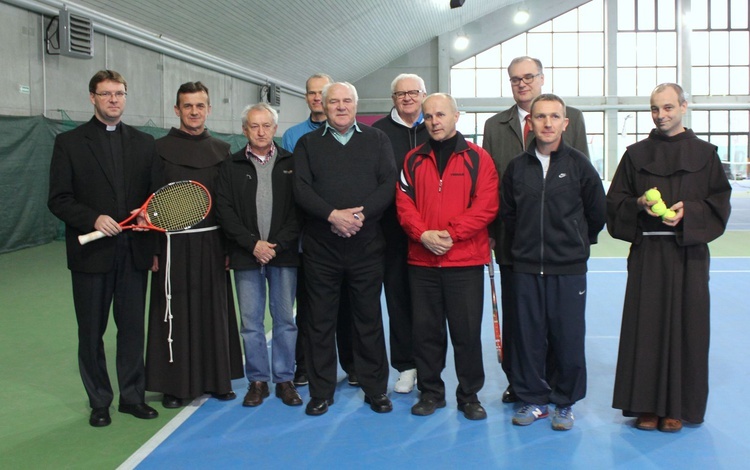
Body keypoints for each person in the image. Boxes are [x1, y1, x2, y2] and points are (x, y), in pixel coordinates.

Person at [608, 83, 731, 433]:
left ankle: (677, 407)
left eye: (667, 108)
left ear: (683, 107)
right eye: (654, 109)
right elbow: (614, 202)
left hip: (688, 254)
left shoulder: (705, 154)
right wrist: (637, 204)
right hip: (648, 253)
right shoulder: (635, 154)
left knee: (687, 328)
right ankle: (645, 407)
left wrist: (688, 212)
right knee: (644, 329)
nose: (661, 115)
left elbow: (719, 203)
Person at [48, 70, 163, 427]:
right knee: (91, 331)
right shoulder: (68, 143)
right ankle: (99, 401)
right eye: (106, 94)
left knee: (131, 330)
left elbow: (153, 199)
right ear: (92, 98)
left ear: (125, 97)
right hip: (90, 256)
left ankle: (132, 397)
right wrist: (93, 218)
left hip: (133, 254)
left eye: (119, 93)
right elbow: (59, 199)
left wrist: (147, 217)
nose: (114, 99)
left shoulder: (146, 144)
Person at [482, 56, 590, 404]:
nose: (522, 83)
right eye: (515, 79)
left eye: (528, 77)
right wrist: (494, 233)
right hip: (514, 242)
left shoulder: (571, 118)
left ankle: (556, 384)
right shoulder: (494, 125)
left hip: (560, 246)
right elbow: (489, 184)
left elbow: (583, 183)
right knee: (520, 319)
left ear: (542, 79)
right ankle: (522, 382)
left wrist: (576, 234)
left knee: (560, 324)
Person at [501, 94, 605, 431]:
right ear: (530, 122)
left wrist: (573, 243)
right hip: (527, 268)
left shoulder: (579, 166)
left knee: (568, 338)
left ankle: (565, 403)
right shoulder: (517, 167)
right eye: (540, 117)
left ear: (565, 123)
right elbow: (509, 215)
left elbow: (596, 213)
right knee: (529, 338)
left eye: (554, 117)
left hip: (568, 269)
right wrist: (526, 246)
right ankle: (533, 400)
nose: (547, 123)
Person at [293, 82, 396, 416]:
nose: (340, 106)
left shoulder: (376, 139)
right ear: (323, 105)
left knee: (368, 319)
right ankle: (321, 391)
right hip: (322, 249)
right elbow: (301, 189)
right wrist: (332, 216)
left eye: (346, 101)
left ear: (356, 104)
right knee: (320, 322)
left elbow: (387, 184)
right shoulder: (308, 144)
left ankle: (375, 388)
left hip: (366, 247)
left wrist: (358, 216)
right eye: (333, 101)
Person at [396, 93, 499, 420]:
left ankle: (469, 396)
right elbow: (403, 204)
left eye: (440, 115)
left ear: (456, 116)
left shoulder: (479, 159)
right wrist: (423, 235)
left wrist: (451, 235)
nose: (434, 121)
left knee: (466, 334)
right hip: (422, 262)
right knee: (426, 333)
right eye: (428, 117)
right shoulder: (412, 160)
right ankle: (431, 392)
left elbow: (486, 206)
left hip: (465, 262)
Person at [145, 81, 243, 409]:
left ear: (209, 109)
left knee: (213, 311)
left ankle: (218, 380)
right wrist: (154, 250)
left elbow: (228, 203)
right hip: (172, 246)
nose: (194, 111)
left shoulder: (222, 150)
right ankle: (175, 386)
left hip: (213, 243)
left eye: (200, 105)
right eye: (187, 106)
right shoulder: (158, 150)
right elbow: (151, 203)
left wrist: (230, 247)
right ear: (177, 110)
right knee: (173, 312)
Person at [216, 103, 303, 408]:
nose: (261, 131)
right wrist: (253, 244)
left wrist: (276, 245)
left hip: (284, 256)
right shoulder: (231, 166)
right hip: (246, 256)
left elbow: (299, 210)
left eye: (267, 125)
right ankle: (258, 381)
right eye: (255, 126)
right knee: (251, 323)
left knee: (284, 321)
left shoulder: (292, 163)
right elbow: (224, 211)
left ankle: (284, 380)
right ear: (245, 130)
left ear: (275, 129)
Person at [282, 73, 355, 388]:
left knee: (348, 310)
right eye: (313, 94)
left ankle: (353, 366)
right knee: (311, 310)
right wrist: (328, 216)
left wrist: (347, 219)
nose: (317, 98)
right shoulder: (295, 137)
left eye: (322, 93)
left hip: (350, 238)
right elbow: (295, 187)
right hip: (309, 240)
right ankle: (305, 367)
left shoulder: (355, 136)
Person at [372, 73, 429, 393]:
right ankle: (406, 366)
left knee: (429, 304)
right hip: (391, 234)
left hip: (431, 235)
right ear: (392, 98)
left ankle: (429, 365)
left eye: (413, 92)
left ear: (423, 94)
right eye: (400, 94)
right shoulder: (377, 132)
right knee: (397, 301)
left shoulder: (436, 127)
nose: (407, 98)